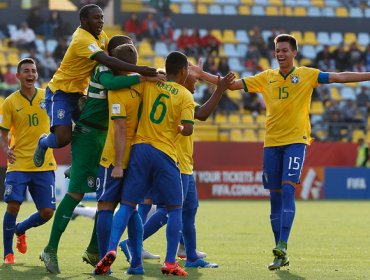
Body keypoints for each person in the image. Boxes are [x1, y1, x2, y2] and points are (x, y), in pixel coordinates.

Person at [191, 33, 370, 270]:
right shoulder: (266, 77)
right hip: (272, 144)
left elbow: (339, 76)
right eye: (277, 50)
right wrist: (202, 74)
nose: (280, 54)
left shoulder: (308, 74)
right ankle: (280, 252)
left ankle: (283, 244)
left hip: (296, 141)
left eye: (285, 50)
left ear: (294, 52)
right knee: (274, 198)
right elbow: (230, 85)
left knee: (287, 190)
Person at [39, 35, 164, 274]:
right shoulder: (102, 69)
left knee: (105, 199)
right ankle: (50, 248)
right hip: (87, 135)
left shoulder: (123, 76)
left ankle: (94, 250)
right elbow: (111, 84)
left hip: (105, 138)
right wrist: (142, 75)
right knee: (76, 194)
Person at [120, 70, 235, 269]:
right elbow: (202, 114)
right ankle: (132, 243)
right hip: (175, 163)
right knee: (168, 210)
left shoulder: (182, 98)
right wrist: (220, 89)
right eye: (194, 78)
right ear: (183, 76)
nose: (196, 83)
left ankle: (191, 256)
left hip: (185, 164)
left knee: (189, 210)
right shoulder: (181, 96)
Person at [94, 51, 195, 276]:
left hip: (139, 150)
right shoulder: (185, 95)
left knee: (128, 206)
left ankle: (110, 249)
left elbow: (132, 87)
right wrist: (178, 127)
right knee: (175, 208)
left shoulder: (149, 84)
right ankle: (170, 261)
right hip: (165, 153)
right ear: (183, 71)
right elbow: (188, 128)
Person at [33, 4, 157, 168]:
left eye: (102, 18)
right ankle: (43, 142)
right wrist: (140, 70)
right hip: (60, 92)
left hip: (79, 93)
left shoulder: (101, 35)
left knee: (92, 127)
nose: (100, 22)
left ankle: (76, 164)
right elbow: (107, 60)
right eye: (96, 18)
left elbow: (114, 53)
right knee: (63, 138)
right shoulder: (82, 39)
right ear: (84, 20)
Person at [94, 43, 165, 274]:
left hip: (116, 157)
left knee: (105, 207)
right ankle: (137, 263)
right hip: (138, 157)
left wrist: (116, 164)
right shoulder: (143, 83)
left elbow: (120, 128)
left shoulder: (116, 90)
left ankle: (106, 259)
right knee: (131, 208)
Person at [0, 58, 56, 264]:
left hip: (44, 164)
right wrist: (6, 149)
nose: (30, 74)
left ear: (37, 75)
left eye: (33, 70)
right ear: (18, 76)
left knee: (47, 212)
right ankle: (8, 253)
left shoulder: (47, 96)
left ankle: (21, 229)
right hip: (19, 164)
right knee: (13, 205)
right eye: (26, 71)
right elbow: (3, 132)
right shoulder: (10, 102)